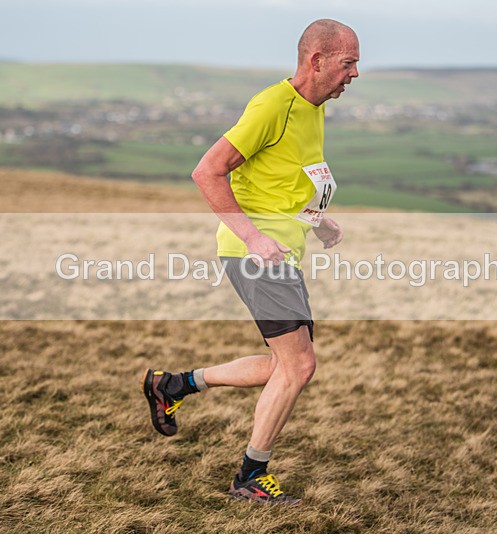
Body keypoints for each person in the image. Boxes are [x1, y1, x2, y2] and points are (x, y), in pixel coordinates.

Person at [141, 18, 359, 505]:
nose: (355, 74)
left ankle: (173, 385)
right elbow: (207, 170)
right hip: (257, 256)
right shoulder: (273, 106)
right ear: (316, 60)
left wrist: (318, 220)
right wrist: (253, 237)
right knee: (299, 366)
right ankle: (249, 476)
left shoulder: (313, 107)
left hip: (283, 252)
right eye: (349, 63)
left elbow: (288, 179)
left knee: (284, 367)